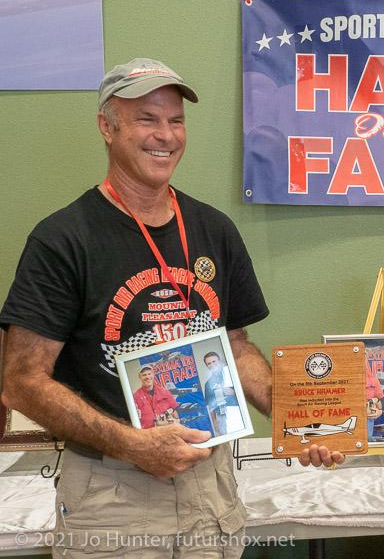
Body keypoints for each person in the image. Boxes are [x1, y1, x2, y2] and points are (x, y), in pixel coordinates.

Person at [0, 58, 342, 558]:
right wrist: (132, 445)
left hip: (210, 486)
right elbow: (21, 381)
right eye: (147, 119)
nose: (165, 135)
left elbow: (236, 347)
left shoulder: (214, 229)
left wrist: (297, 418)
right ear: (107, 127)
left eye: (176, 120)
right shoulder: (63, 239)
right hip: (112, 494)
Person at [202, 351, 239, 435]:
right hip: (221, 416)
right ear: (207, 366)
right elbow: (210, 406)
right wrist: (215, 423)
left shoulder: (231, 374)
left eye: (214, 361)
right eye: (209, 363)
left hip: (236, 411)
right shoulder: (208, 384)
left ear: (219, 361)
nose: (212, 365)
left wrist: (234, 392)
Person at [365, 362, 384, 439]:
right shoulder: (349, 380)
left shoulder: (373, 380)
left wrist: (380, 411)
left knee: (368, 438)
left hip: (369, 416)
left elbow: (380, 398)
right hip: (353, 415)